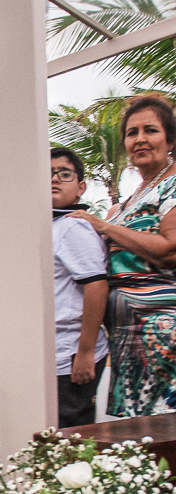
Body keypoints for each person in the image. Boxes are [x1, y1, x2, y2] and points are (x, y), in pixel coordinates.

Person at [68, 95, 176, 418]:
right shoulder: (124, 204)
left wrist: (104, 226)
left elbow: (170, 250)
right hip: (125, 338)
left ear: (170, 140)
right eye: (132, 133)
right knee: (136, 436)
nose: (140, 139)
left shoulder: (172, 186)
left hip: (164, 333)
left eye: (150, 130)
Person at [50, 148, 109, 427]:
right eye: (47, 174)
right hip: (55, 353)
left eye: (64, 174)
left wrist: (85, 353)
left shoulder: (73, 226)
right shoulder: (51, 225)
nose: (54, 179)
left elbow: (96, 285)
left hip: (72, 354)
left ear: (80, 187)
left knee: (72, 437)